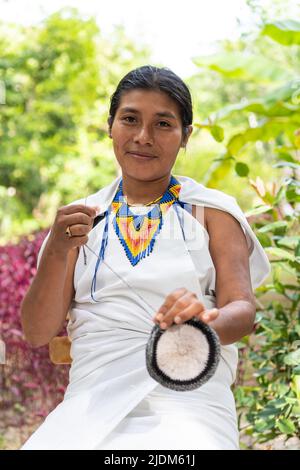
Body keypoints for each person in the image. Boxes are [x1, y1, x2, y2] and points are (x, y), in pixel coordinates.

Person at [20, 65, 270, 450]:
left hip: (190, 399)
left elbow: (244, 310)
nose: (142, 137)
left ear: (185, 135)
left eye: (163, 124)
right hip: (90, 405)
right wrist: (56, 250)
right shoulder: (79, 220)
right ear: (110, 126)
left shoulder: (211, 212)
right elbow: (37, 332)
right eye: (130, 119)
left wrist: (200, 326)